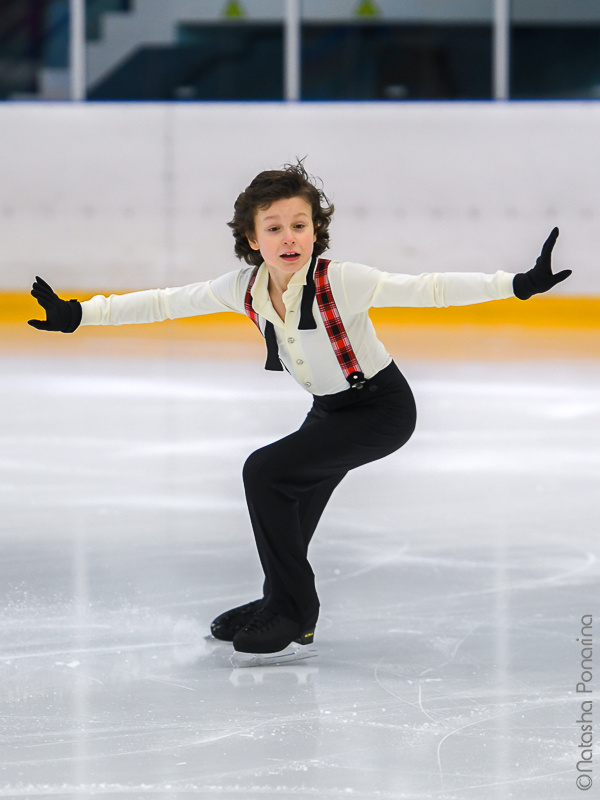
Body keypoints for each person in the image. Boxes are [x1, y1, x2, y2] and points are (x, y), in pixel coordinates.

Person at [28, 161, 571, 661]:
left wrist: (518, 285)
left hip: (379, 409)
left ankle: (294, 611)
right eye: (274, 227)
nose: (289, 237)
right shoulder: (244, 288)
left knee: (264, 472)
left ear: (316, 231)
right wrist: (78, 314)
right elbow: (165, 302)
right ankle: (276, 603)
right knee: (289, 503)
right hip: (329, 411)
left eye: (300, 225)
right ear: (251, 238)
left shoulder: (341, 280)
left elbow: (428, 289)